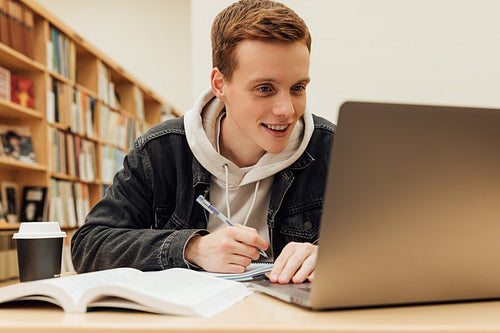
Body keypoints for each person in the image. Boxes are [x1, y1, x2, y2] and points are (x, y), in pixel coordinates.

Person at [71, 0, 335, 284]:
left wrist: (331, 256)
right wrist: (192, 248)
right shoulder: (160, 151)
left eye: (297, 88)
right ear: (220, 85)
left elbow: (385, 242)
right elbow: (89, 245)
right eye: (265, 89)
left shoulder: (334, 148)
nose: (286, 110)